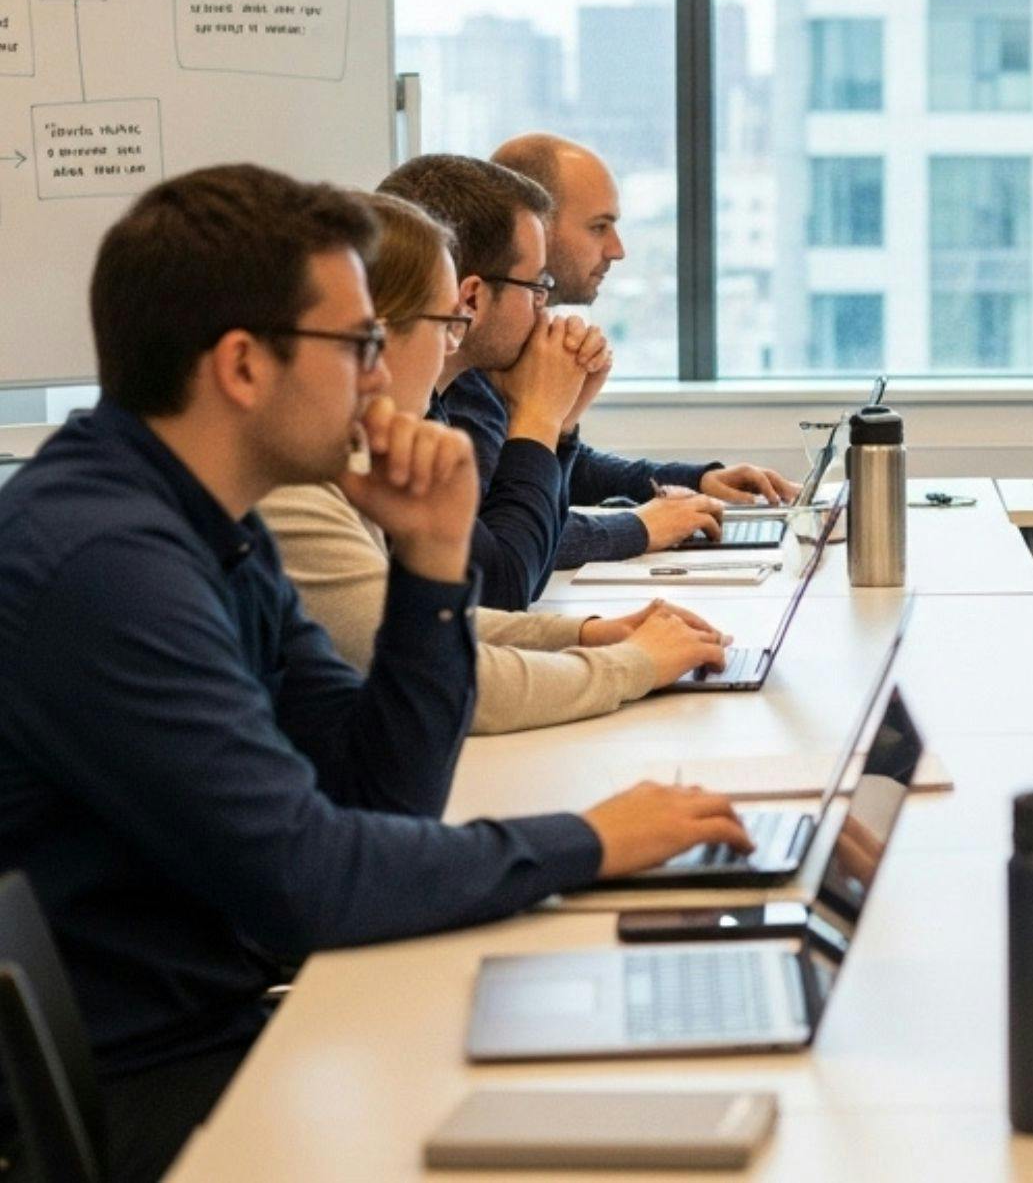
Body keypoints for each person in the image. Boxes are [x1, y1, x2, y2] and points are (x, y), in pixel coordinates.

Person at [0, 166, 754, 1183]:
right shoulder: (107, 568)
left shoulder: (207, 520)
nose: (386, 374)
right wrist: (590, 839)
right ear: (241, 366)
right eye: (358, 344)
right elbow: (310, 879)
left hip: (229, 1023)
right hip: (150, 1096)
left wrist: (435, 566)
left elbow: (384, 791)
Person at [259, 192, 737, 731]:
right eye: (445, 323)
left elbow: (419, 629)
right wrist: (634, 663)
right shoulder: (288, 489)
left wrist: (582, 634)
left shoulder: (342, 457)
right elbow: (464, 654)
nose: (448, 346)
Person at [378, 154, 721, 606]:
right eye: (538, 283)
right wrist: (541, 416)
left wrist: (558, 426)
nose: (544, 304)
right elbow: (504, 582)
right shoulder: (396, 421)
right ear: (472, 299)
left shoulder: (433, 401)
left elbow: (512, 556)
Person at [491, 132, 802, 567]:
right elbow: (505, 540)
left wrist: (698, 480)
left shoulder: (524, 338)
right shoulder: (481, 347)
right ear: (534, 228)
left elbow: (549, 478)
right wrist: (642, 526)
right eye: (599, 227)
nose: (617, 250)